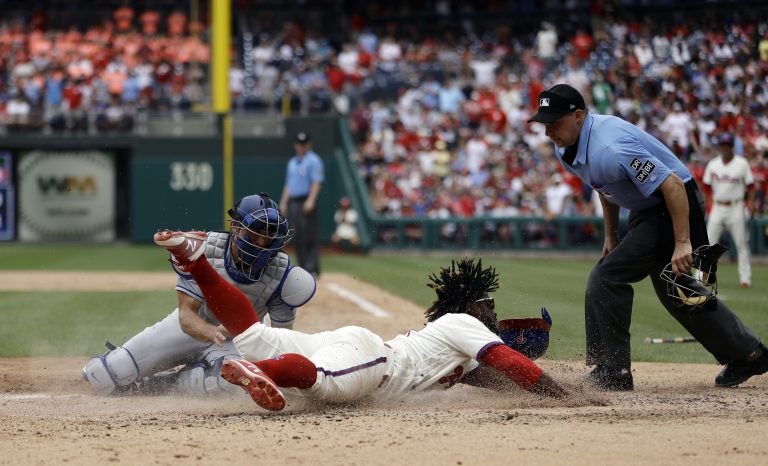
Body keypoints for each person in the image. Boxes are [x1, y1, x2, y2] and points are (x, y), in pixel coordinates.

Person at [153, 231, 569, 412]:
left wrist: (532, 362)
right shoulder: (463, 322)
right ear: (472, 308)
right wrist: (567, 397)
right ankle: (258, 372)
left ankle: (193, 260)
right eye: (488, 306)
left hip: (353, 349)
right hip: (375, 364)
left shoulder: (452, 347)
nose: (493, 315)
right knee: (318, 380)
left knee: (252, 333)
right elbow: (511, 365)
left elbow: (500, 376)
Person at [527, 83, 768, 391]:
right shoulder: (567, 148)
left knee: (606, 277)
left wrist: (683, 242)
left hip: (674, 204)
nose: (548, 131)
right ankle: (749, 354)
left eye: (554, 122)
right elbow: (603, 186)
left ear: (578, 115)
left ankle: (614, 371)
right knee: (675, 290)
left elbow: (673, 186)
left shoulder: (611, 147)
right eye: (544, 124)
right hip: (647, 208)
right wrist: (611, 235)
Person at [82, 193, 317, 396]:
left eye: (270, 235)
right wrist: (210, 331)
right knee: (104, 377)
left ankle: (168, 383)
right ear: (236, 228)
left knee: (230, 384)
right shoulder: (204, 251)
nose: (262, 242)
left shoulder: (283, 276)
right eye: (256, 233)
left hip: (235, 344)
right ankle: (118, 363)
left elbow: (280, 338)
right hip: (191, 329)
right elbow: (186, 315)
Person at [702, 132, 755, 288]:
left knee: (741, 243)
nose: (725, 147)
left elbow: (751, 187)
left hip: (736, 206)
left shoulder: (742, 163)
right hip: (718, 206)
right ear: (719, 146)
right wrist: (708, 205)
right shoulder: (713, 164)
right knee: (709, 245)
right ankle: (704, 277)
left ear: (732, 147)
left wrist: (751, 204)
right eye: (723, 144)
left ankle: (745, 279)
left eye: (728, 145)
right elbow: (706, 187)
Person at [280, 132, 325, 278]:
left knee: (309, 235)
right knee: (297, 235)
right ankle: (303, 266)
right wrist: (283, 201)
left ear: (309, 144)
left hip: (306, 200)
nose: (301, 146)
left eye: (304, 143)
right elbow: (288, 184)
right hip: (294, 201)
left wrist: (311, 200)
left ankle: (312, 268)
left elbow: (316, 182)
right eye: (299, 144)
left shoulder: (313, 160)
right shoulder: (292, 162)